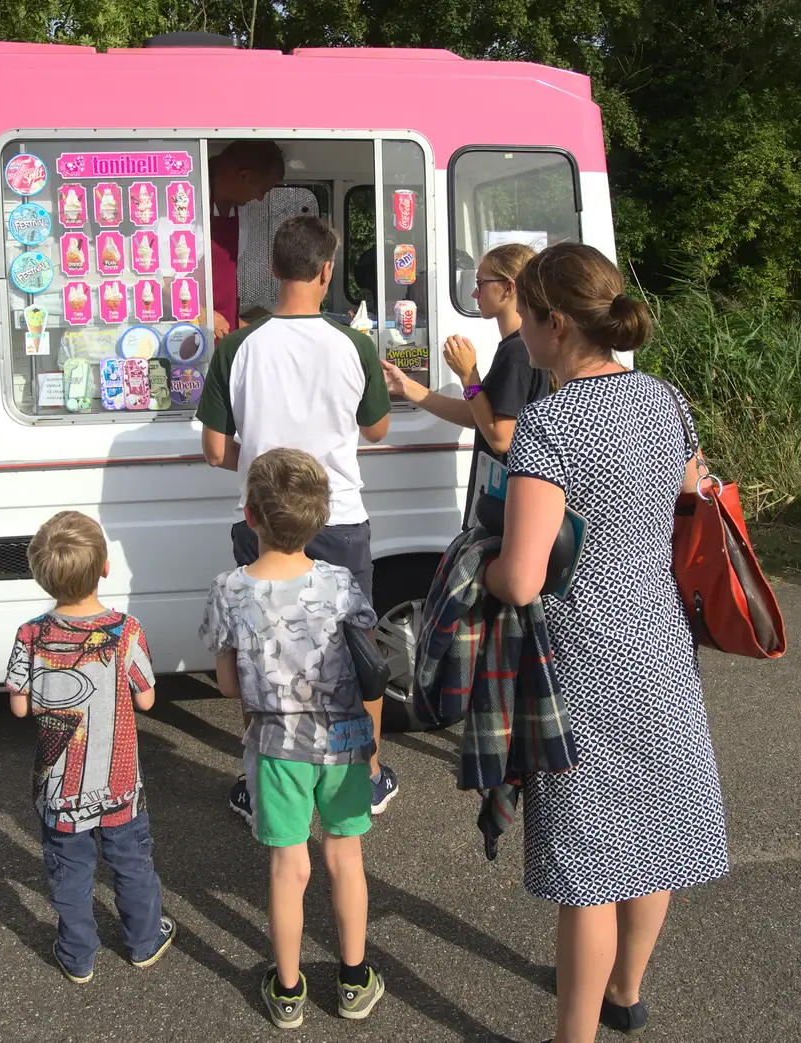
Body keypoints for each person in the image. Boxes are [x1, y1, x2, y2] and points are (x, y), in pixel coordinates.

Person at [482, 243, 729, 1043]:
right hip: (660, 643)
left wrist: (479, 571)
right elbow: (693, 488)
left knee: (589, 865)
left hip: (583, 659)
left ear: (556, 324)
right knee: (651, 832)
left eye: (524, 315)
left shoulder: (550, 424)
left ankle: (573, 1037)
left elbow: (521, 578)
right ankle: (625, 991)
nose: (518, 331)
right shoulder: (664, 398)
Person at [198, 214, 403, 821]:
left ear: (274, 269)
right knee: (355, 646)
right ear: (326, 271)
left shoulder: (236, 347)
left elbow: (214, 449)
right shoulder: (353, 345)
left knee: (259, 649)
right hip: (339, 516)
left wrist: (258, 470)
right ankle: (362, 774)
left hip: (261, 518)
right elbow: (378, 427)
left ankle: (261, 772)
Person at [200, 448, 386, 1028]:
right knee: (344, 857)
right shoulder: (340, 582)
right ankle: (354, 979)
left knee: (289, 868)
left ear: (249, 516)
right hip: (346, 739)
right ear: (322, 519)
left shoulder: (230, 589)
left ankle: (287, 990)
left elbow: (230, 684)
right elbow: (367, 660)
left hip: (278, 745)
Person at [5, 510, 175, 983]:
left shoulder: (31, 634)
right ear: (105, 567)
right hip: (119, 784)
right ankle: (144, 940)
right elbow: (147, 699)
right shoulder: (126, 631)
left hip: (59, 789)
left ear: (41, 576)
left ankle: (77, 954)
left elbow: (20, 709)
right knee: (132, 865)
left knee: (70, 872)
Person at [381, 242, 549, 520]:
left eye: (481, 283)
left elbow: (500, 438)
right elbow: (479, 415)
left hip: (505, 511)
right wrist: (405, 386)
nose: (474, 293)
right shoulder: (516, 347)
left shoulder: (517, 352)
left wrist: (468, 375)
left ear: (508, 288)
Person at [210, 140, 286, 340]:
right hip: (190, 337)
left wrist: (243, 326)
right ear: (245, 176)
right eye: (263, 190)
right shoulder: (185, 204)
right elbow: (158, 280)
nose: (261, 199)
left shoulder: (239, 212)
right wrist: (201, 314)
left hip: (223, 336)